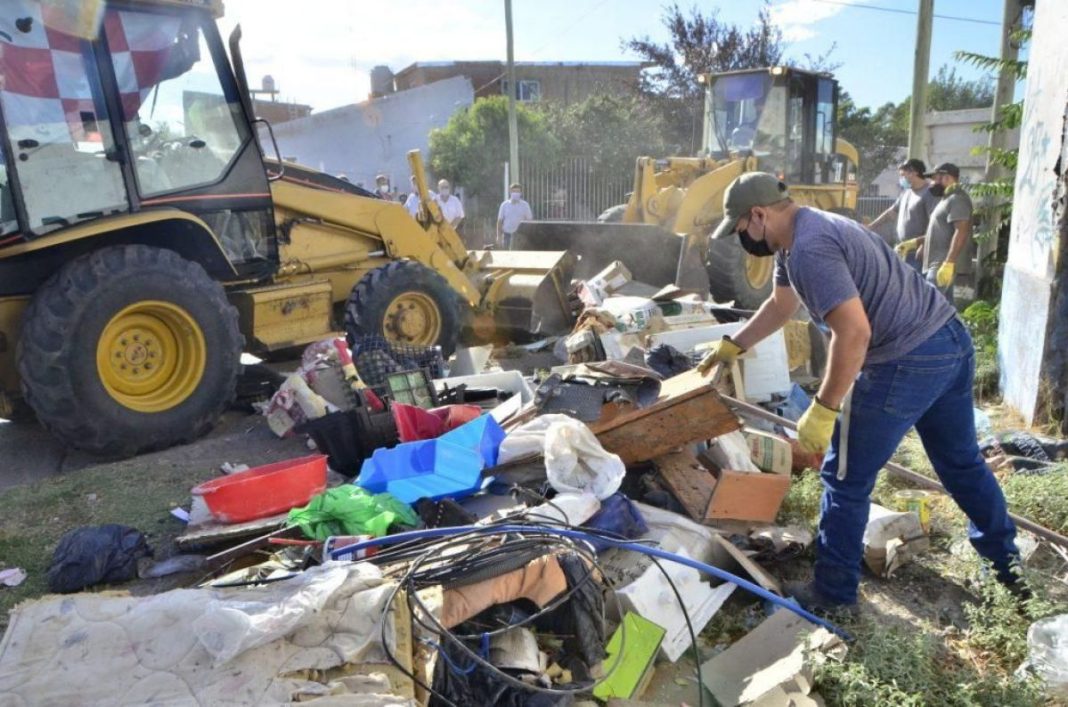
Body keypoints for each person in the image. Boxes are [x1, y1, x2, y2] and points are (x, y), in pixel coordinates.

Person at [696, 172, 1019, 614]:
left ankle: (833, 596)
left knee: (844, 478)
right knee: (962, 463)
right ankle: (1008, 571)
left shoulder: (809, 249)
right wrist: (736, 344)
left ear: (758, 214)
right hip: (949, 341)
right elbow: (780, 305)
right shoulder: (802, 234)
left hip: (905, 358)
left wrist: (824, 408)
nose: (743, 239)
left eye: (741, 229)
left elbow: (854, 334)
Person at [915, 163, 972, 304]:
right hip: (937, 264)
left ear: (946, 178)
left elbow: (961, 231)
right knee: (945, 310)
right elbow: (941, 230)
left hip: (941, 265)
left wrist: (949, 263)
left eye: (935, 179)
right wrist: (915, 243)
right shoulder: (946, 199)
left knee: (929, 308)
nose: (931, 183)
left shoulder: (958, 199)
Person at [867, 158, 937, 271]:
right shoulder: (906, 192)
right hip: (902, 248)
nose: (901, 179)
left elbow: (934, 223)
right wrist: (870, 226)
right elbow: (891, 212)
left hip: (917, 251)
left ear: (914, 172)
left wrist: (924, 245)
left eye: (903, 175)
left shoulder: (929, 193)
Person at [496, 183, 533, 249]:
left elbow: (529, 221)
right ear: (510, 192)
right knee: (507, 255)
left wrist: (527, 236)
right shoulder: (504, 205)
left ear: (521, 193)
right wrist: (499, 236)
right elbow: (499, 221)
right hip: (507, 235)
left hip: (520, 237)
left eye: (517, 191)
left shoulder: (525, 205)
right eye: (514, 191)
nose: (516, 193)